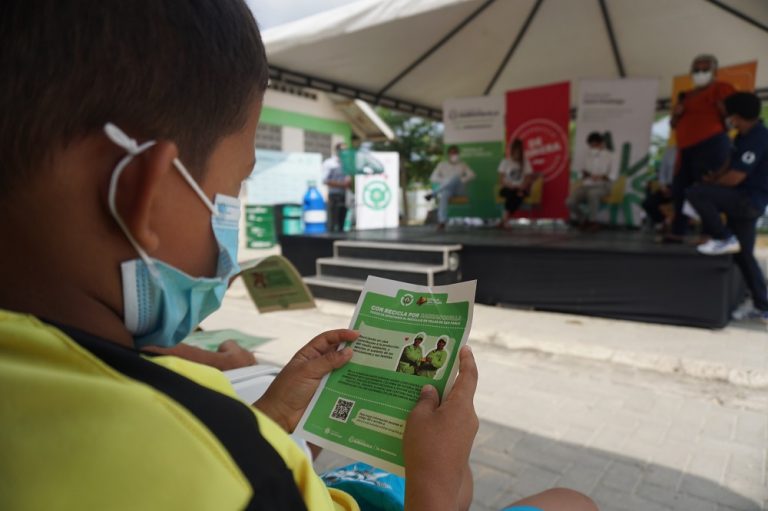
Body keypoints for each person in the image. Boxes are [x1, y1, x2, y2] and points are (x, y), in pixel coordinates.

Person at [0, 2, 599, 510]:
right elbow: (219, 463)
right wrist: (435, 484)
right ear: (146, 196)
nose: (231, 214)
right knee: (570, 502)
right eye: (235, 187)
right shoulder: (215, 465)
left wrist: (275, 411)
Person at [686, 92, 768, 323]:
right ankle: (764, 307)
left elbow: (735, 178)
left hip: (748, 201)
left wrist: (711, 187)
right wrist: (714, 179)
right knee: (744, 257)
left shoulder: (758, 138)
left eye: (730, 115)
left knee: (695, 192)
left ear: (738, 115)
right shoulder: (744, 136)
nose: (729, 119)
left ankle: (723, 237)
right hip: (744, 201)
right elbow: (729, 164)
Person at [666, 54, 736, 242]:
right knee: (680, 189)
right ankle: (678, 231)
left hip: (711, 144)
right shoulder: (685, 96)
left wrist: (723, 109)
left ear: (715, 71)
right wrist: (676, 115)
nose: (700, 73)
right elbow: (673, 124)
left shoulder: (721, 88)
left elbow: (731, 119)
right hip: (685, 149)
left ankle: (709, 232)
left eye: (705, 69)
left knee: (706, 188)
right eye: (696, 69)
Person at [566, 132, 615, 229]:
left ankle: (593, 221)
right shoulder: (587, 156)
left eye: (595, 145)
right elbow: (581, 172)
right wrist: (586, 175)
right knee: (570, 201)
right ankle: (583, 219)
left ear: (601, 144)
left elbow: (613, 175)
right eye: (591, 145)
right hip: (586, 185)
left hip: (603, 186)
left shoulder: (610, 156)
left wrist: (600, 177)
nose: (593, 147)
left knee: (592, 194)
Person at [426, 145, 476, 230]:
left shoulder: (462, 164)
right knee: (444, 195)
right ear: (448, 154)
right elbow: (433, 177)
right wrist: (445, 180)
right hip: (448, 190)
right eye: (452, 153)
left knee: (455, 178)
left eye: (456, 153)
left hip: (460, 190)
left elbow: (472, 175)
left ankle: (433, 194)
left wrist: (460, 180)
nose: (454, 155)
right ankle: (442, 221)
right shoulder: (442, 165)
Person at [498, 138, 535, 228]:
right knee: (512, 194)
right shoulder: (505, 162)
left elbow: (528, 178)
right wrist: (509, 185)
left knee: (518, 195)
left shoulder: (525, 162)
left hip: (520, 189)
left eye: (519, 152)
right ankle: (505, 220)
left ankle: (504, 220)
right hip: (507, 188)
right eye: (515, 152)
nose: (517, 155)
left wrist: (522, 187)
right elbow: (501, 180)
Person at [642, 144, 677, 230]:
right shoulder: (670, 151)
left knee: (682, 204)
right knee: (648, 203)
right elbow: (662, 171)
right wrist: (663, 187)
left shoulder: (691, 150)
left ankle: (678, 227)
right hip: (668, 186)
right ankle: (663, 222)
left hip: (684, 187)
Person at [322, 142, 351, 232]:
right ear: (337, 151)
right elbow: (325, 180)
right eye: (342, 150)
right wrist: (342, 184)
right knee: (333, 222)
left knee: (342, 221)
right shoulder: (329, 163)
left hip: (344, 195)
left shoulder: (347, 163)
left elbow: (348, 180)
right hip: (334, 195)